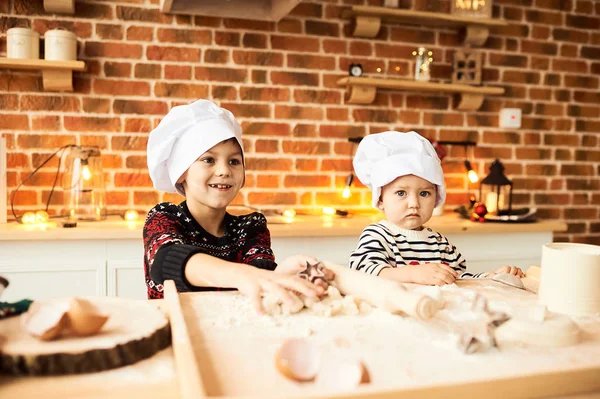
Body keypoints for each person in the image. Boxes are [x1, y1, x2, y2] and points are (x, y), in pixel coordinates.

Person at [144, 99, 325, 312]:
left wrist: (281, 274)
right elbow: (167, 260)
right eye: (209, 160)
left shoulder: (250, 226)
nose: (224, 171)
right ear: (181, 171)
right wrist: (243, 275)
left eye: (234, 161)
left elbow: (260, 275)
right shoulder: (164, 217)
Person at [348, 131, 523, 286]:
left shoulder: (441, 244)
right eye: (401, 193)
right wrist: (412, 273)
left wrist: (492, 277)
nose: (414, 203)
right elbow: (362, 273)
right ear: (380, 200)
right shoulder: (377, 235)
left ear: (436, 197)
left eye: (424, 194)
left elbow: (459, 279)